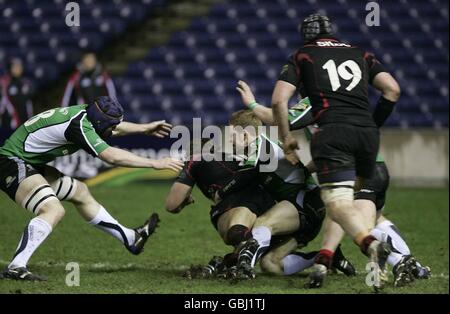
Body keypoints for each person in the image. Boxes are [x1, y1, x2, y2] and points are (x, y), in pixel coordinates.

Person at [236, 80, 430, 287]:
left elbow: (280, 118)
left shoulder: (315, 101)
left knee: (355, 222)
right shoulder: (338, 104)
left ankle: (400, 261)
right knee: (374, 221)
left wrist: (252, 104)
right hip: (374, 167)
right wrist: (303, 170)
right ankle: (414, 265)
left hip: (355, 170)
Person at [271, 14, 401, 290]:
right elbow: (392, 89)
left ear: (306, 36)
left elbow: (278, 101)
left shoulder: (302, 55)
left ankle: (372, 246)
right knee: (359, 203)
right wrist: (372, 124)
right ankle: (326, 259)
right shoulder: (360, 52)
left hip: (332, 133)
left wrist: (286, 139)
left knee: (338, 203)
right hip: (367, 134)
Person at [0, 96, 183, 281]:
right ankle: (16, 267)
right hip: (11, 163)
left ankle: (131, 238)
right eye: (110, 126)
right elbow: (111, 156)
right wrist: (155, 163)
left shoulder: (87, 115)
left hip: (28, 163)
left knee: (80, 192)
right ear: (99, 122)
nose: (113, 129)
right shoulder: (78, 125)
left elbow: (114, 127)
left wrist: (144, 128)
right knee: (52, 210)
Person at [0, 58, 33, 129]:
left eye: (19, 66)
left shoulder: (26, 83)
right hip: (9, 123)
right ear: (10, 68)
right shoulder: (4, 83)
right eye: (15, 67)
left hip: (24, 122)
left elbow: (28, 104)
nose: (18, 69)